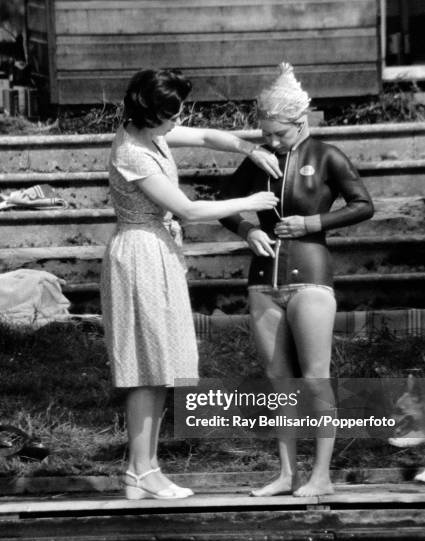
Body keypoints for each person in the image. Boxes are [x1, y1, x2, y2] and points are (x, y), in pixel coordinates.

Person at [100, 68, 280, 500]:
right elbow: (190, 209)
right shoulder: (133, 153)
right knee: (146, 368)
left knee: (159, 368)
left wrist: (249, 149)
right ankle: (142, 469)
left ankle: (144, 470)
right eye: (171, 114)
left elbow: (205, 137)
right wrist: (251, 202)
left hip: (157, 252)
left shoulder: (152, 134)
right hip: (140, 255)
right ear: (150, 114)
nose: (178, 122)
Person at [220, 63, 374, 497]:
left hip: (310, 277)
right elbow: (222, 202)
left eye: (279, 134)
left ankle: (321, 474)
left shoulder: (326, 155)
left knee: (315, 377)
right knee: (278, 379)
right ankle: (286, 473)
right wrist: (247, 230)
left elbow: (363, 204)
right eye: (264, 133)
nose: (270, 142)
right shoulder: (260, 159)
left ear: (300, 123)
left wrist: (312, 223)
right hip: (263, 280)